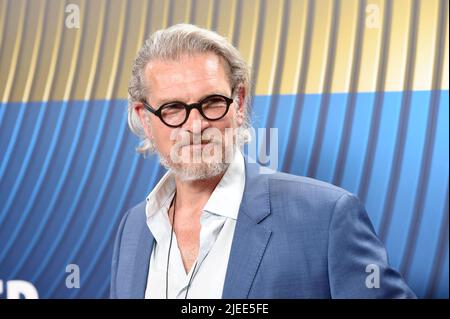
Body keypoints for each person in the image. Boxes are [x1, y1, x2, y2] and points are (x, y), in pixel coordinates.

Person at [110, 24, 415, 299]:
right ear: (145, 119)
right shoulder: (133, 227)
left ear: (239, 103)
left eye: (212, 102)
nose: (196, 125)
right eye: (173, 108)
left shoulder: (326, 217)